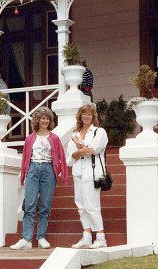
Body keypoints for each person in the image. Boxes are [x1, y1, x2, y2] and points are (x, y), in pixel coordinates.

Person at [11, 107, 69, 250]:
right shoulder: (30, 138)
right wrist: (24, 174)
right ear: (38, 120)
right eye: (43, 118)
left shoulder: (54, 138)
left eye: (47, 118)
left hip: (48, 170)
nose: (45, 121)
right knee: (29, 205)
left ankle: (41, 237)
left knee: (45, 206)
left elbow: (61, 156)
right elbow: (25, 158)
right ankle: (26, 239)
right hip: (33, 169)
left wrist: (63, 174)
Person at [67, 104, 108, 249]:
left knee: (92, 205)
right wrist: (82, 149)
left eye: (89, 114)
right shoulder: (75, 133)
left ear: (93, 116)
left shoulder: (99, 132)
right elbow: (70, 157)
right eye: (84, 114)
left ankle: (101, 237)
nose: (86, 116)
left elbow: (95, 149)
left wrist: (80, 147)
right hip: (78, 172)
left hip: (92, 173)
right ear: (80, 116)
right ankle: (87, 236)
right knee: (81, 205)